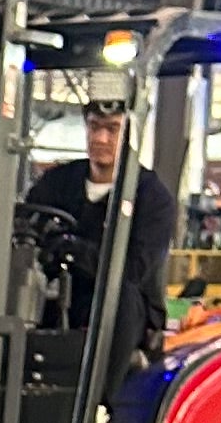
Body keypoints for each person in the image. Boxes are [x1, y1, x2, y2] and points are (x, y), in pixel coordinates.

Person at [23, 88, 174, 376]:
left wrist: (71, 248)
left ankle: (103, 405)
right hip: (59, 297)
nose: (100, 138)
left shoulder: (152, 198)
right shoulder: (57, 183)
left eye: (112, 129)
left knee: (122, 295)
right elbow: (28, 230)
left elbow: (133, 268)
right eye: (94, 127)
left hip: (120, 315)